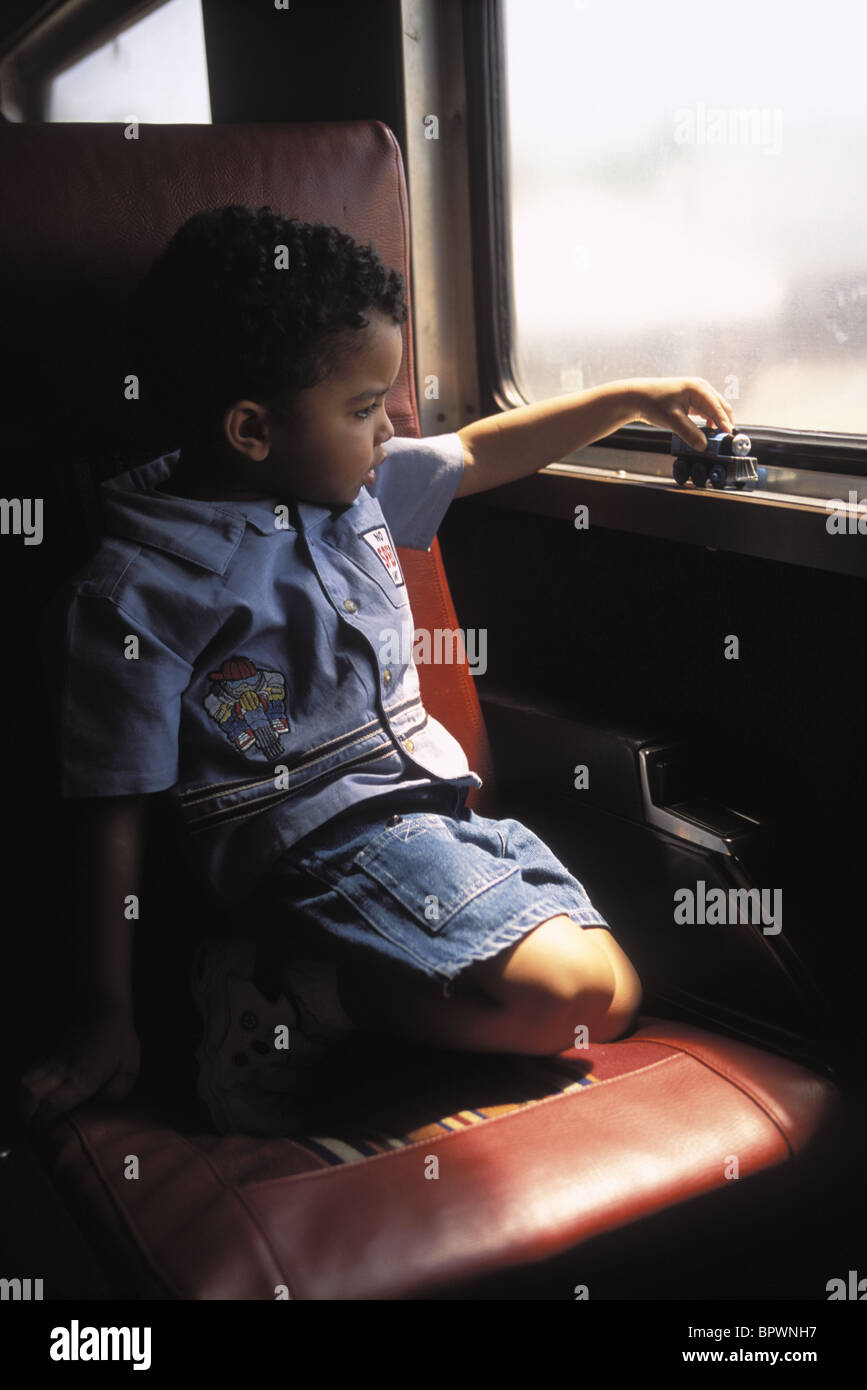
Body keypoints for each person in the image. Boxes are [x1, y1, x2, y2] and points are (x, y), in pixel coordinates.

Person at [18, 206, 734, 1135]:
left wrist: (628, 398)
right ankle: (296, 989)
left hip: (433, 809)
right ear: (250, 429)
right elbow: (108, 811)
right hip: (311, 851)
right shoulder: (133, 596)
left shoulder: (344, 479)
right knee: (572, 999)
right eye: (364, 410)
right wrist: (105, 1014)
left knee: (611, 994)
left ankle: (323, 989)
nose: (387, 431)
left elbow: (478, 448)